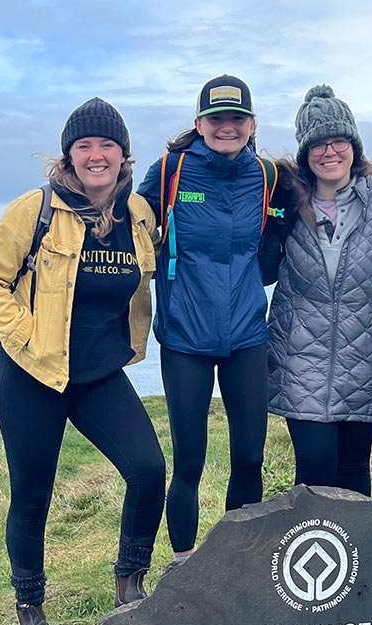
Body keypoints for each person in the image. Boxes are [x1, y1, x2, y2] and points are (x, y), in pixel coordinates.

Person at [0, 98, 165, 625]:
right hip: (32, 373)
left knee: (148, 470)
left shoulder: (139, 215)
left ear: (124, 155)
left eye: (107, 145)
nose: (96, 155)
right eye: (84, 146)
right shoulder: (35, 210)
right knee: (32, 495)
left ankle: (130, 585)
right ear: (68, 156)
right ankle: (30, 611)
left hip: (98, 373)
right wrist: (25, 336)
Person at [137, 75, 283, 565]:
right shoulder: (170, 171)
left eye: (236, 118)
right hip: (185, 338)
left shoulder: (266, 175)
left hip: (246, 334)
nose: (227, 128)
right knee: (190, 463)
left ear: (252, 124)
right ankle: (184, 566)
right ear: (199, 124)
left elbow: (276, 241)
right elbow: (130, 230)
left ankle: (239, 564)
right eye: (216, 119)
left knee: (250, 457)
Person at [267, 85, 372, 496]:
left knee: (353, 471)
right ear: (305, 153)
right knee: (313, 471)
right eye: (318, 144)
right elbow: (261, 269)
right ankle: (309, 560)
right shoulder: (284, 202)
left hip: (365, 357)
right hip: (300, 359)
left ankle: (354, 559)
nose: (329, 152)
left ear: (355, 146)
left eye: (339, 141)